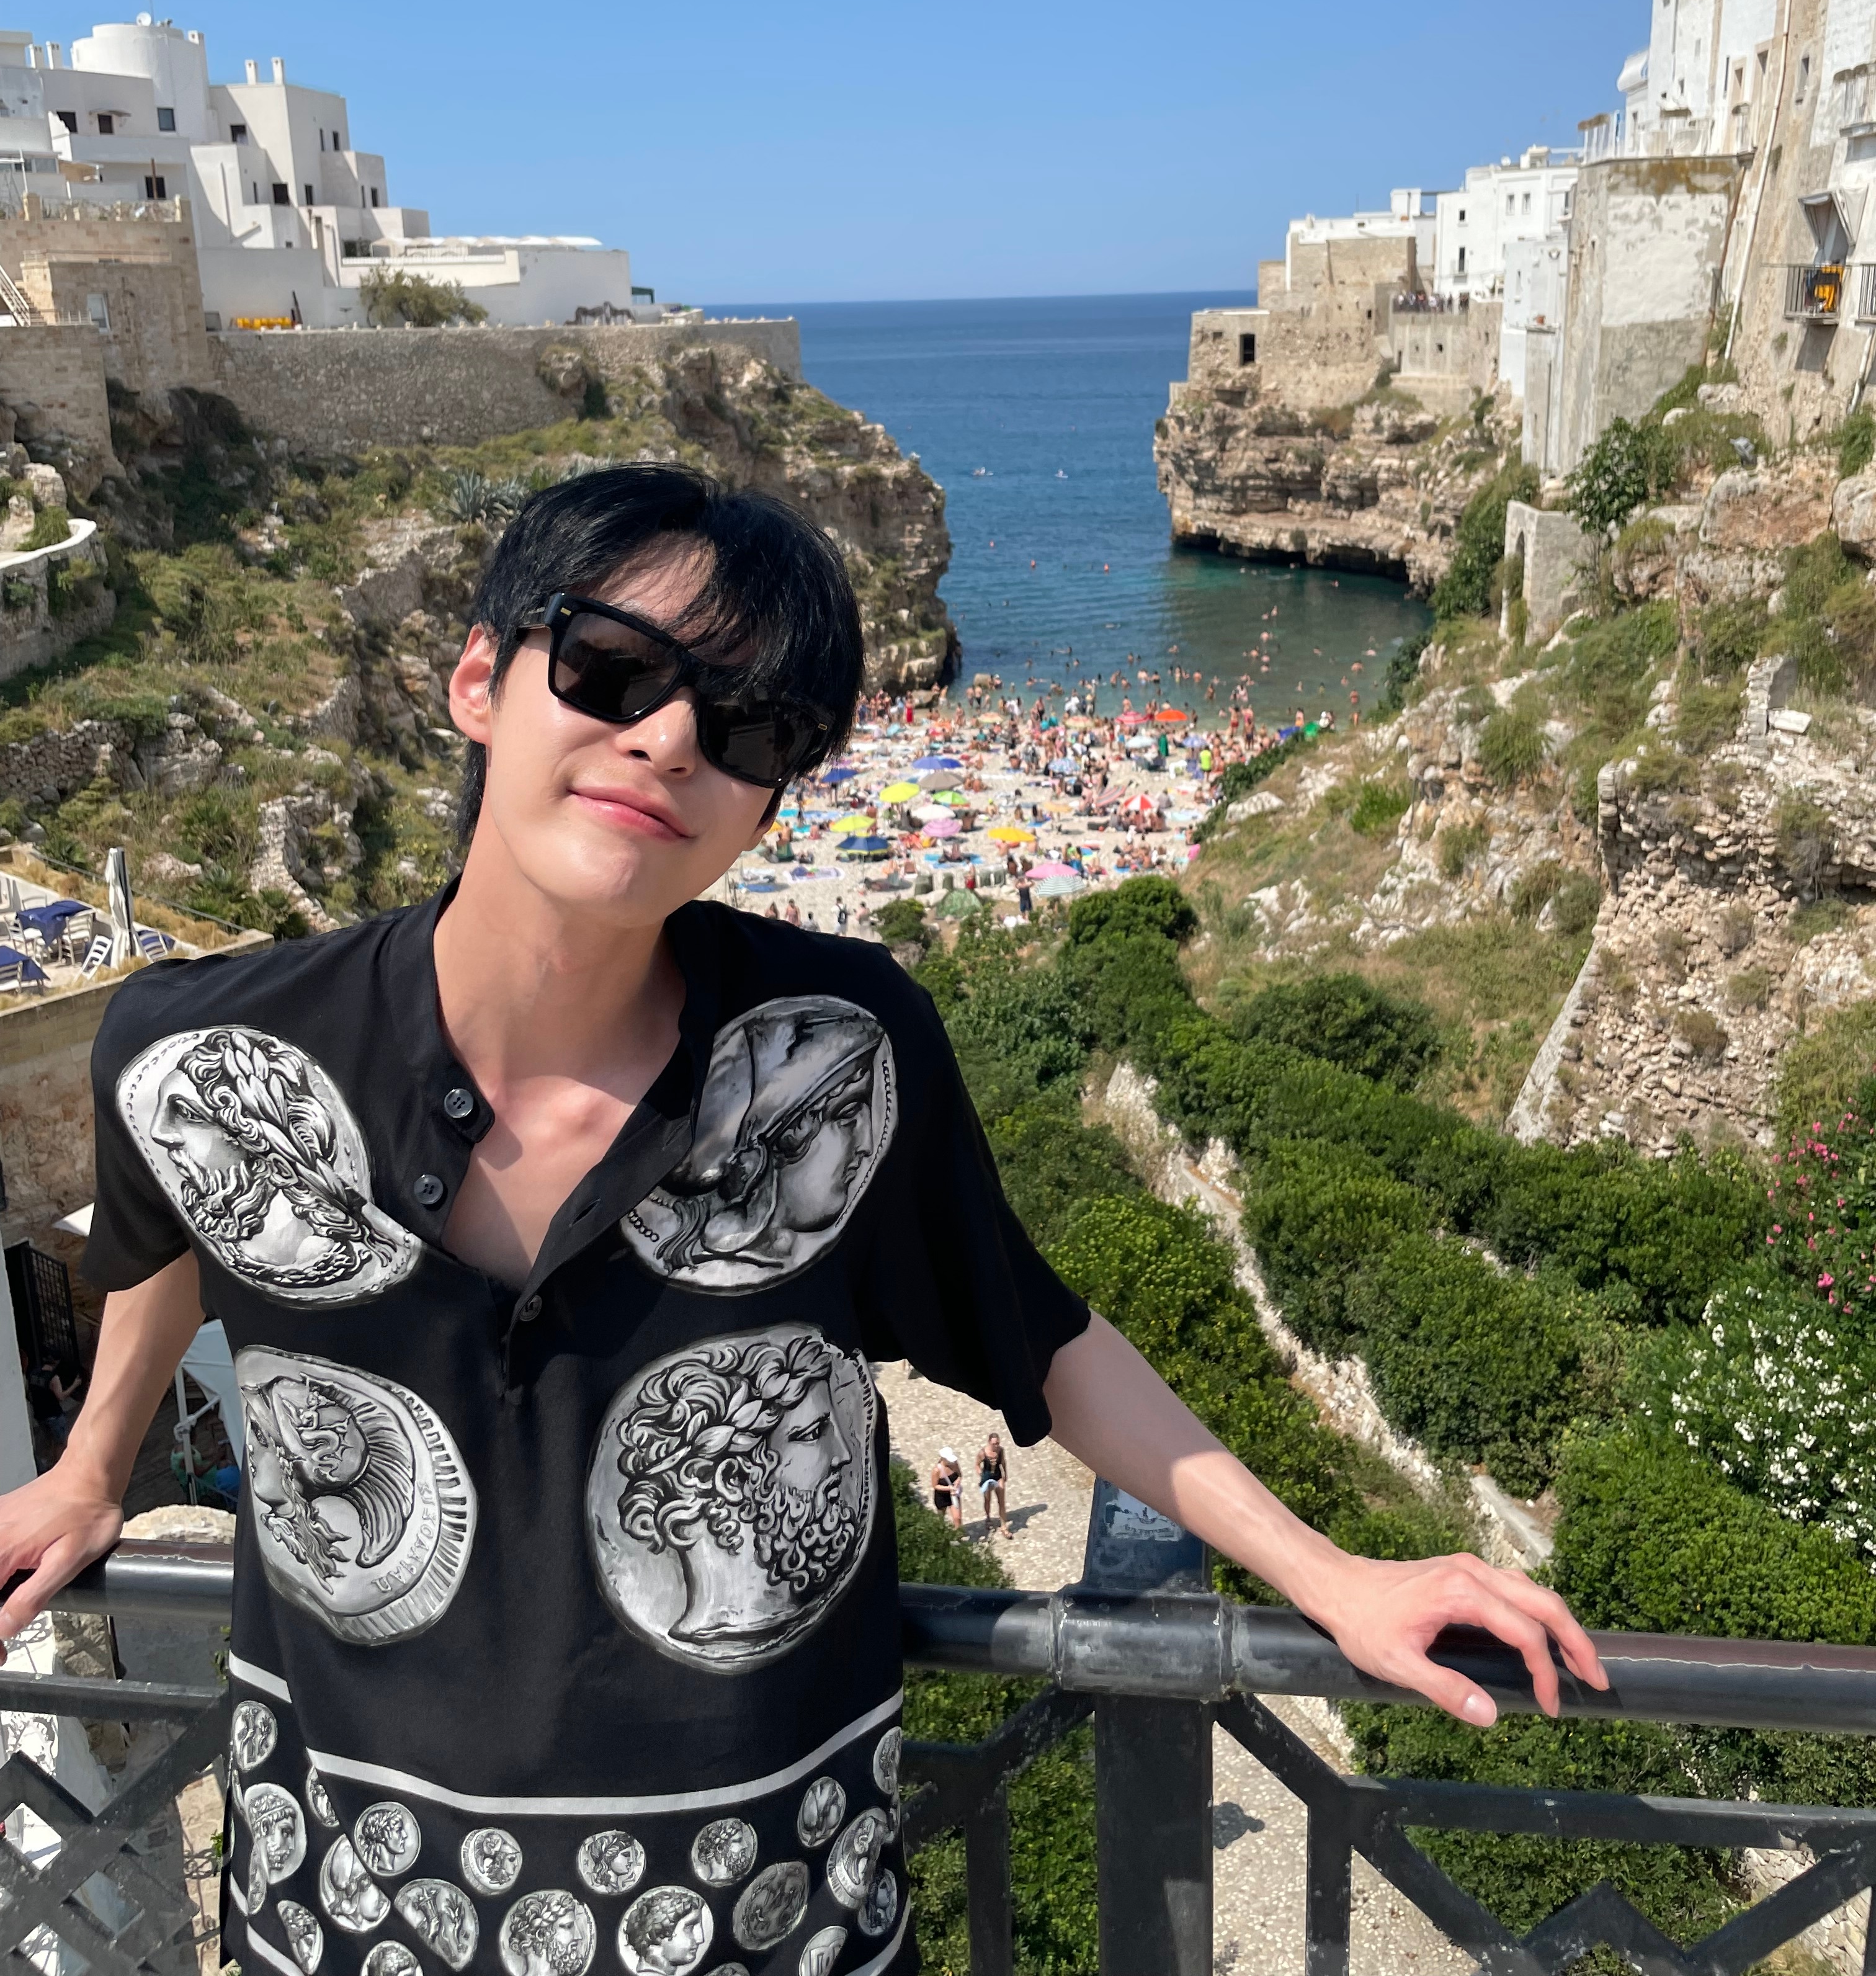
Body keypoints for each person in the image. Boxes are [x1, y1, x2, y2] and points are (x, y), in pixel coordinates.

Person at [0, 464, 1602, 1975]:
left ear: (767, 804)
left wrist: (1333, 1574)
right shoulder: (206, 1047)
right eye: (613, 670)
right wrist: (91, 1468)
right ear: (480, 681)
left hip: (764, 1909)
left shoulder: (836, 1056)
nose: (668, 741)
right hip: (357, 1906)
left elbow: (1040, 1339)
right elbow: (177, 1221)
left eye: (750, 724)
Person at [978, 1431, 1011, 1538]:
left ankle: (1004, 1526)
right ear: (989, 1442)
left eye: (997, 1443)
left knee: (1002, 1501)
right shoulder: (983, 1453)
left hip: (998, 1477)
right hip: (987, 1478)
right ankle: (988, 1517)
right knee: (988, 1499)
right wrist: (980, 1474)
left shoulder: (1001, 1451)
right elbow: (977, 1465)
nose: (996, 1445)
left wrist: (1005, 1473)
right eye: (994, 1444)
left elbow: (1003, 1462)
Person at [931, 1447, 964, 1531]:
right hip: (942, 1496)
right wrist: (949, 1488)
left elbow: (960, 1475)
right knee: (941, 1518)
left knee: (958, 1518)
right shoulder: (937, 1470)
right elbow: (935, 1486)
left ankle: (958, 1534)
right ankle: (942, 1533)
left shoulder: (955, 1464)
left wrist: (958, 1481)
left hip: (953, 1494)